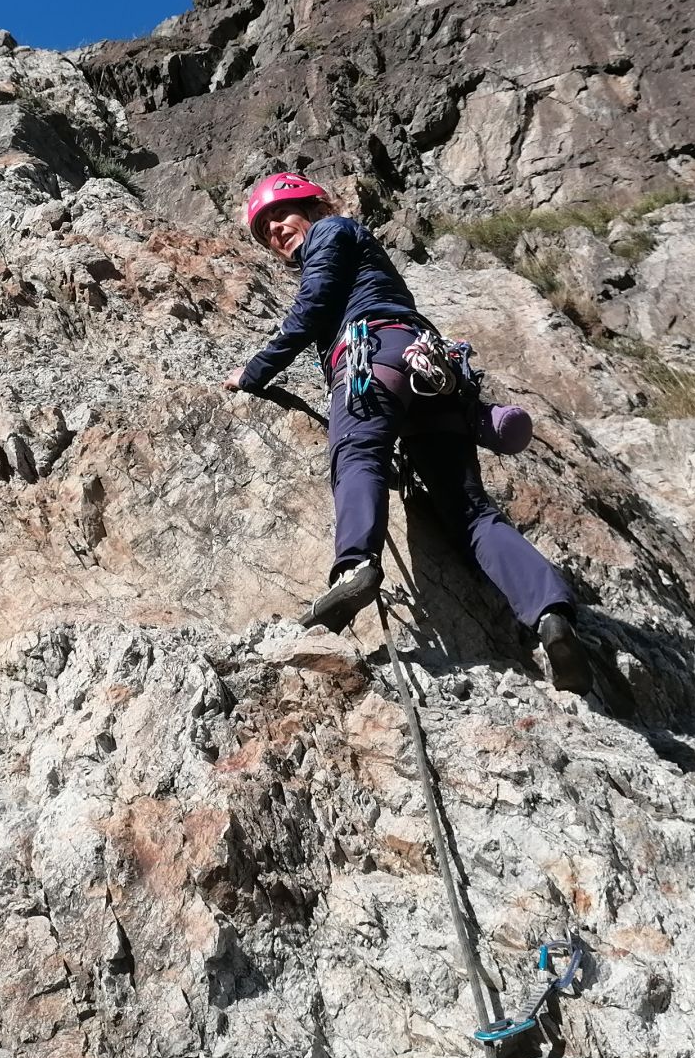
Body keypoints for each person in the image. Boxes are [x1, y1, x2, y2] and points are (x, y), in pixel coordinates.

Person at [223, 170, 590, 692]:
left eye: (281, 215)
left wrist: (255, 372)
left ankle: (355, 568)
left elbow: (314, 306)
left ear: (315, 207)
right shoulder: (359, 250)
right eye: (265, 231)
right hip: (430, 375)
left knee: (357, 453)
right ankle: (552, 615)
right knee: (469, 513)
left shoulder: (331, 230)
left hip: (374, 356)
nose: (276, 230)